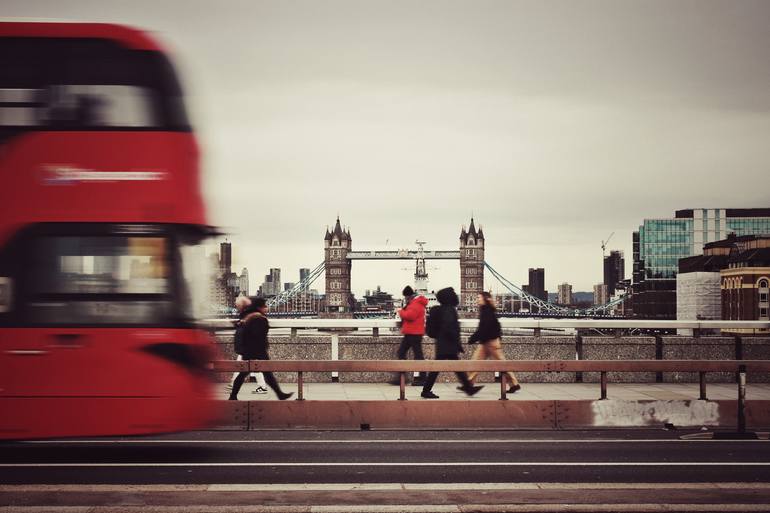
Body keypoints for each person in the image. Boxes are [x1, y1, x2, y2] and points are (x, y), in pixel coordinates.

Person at [421, 287, 484, 399]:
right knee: (450, 368)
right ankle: (426, 390)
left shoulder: (439, 310)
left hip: (442, 343)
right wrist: (457, 343)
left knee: (445, 368)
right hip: (448, 344)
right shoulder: (449, 310)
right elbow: (449, 328)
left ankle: (468, 387)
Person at [229, 297, 293, 401]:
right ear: (260, 307)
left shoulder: (248, 315)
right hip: (258, 350)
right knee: (267, 373)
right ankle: (280, 394)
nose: (267, 309)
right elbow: (258, 334)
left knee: (244, 374)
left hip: (248, 350)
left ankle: (233, 396)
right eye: (265, 306)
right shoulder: (259, 318)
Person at [466, 291, 521, 393]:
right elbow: (494, 326)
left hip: (491, 342)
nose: (477, 299)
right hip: (486, 342)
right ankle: (468, 384)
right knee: (476, 362)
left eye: (479, 298)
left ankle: (514, 384)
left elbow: (484, 328)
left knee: (501, 364)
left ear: (485, 299)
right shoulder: (486, 310)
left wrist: (473, 338)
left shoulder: (487, 311)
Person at [227, 296, 268, 395]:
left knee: (245, 367)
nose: (236, 307)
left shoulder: (248, 313)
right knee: (250, 366)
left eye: (237, 305)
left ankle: (233, 387)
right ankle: (262, 386)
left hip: (248, 347)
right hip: (248, 347)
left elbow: (249, 329)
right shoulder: (247, 312)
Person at [397, 285, 428, 386]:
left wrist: (400, 311)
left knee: (413, 355)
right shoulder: (416, 302)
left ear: (409, 296)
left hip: (414, 333)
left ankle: (419, 378)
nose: (405, 299)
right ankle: (403, 377)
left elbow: (410, 316)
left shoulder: (415, 303)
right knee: (416, 355)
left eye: (405, 297)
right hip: (412, 332)